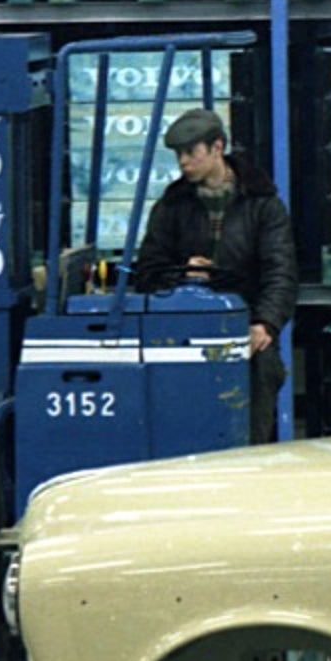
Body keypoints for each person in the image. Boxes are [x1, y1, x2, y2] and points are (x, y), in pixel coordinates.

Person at [129, 108, 304, 440]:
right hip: (184, 332)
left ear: (217, 148)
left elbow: (281, 270)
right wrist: (183, 276)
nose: (183, 162)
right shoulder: (171, 207)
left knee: (259, 381)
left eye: (191, 152)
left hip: (246, 326)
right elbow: (148, 272)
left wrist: (265, 323)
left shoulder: (263, 204)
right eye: (179, 154)